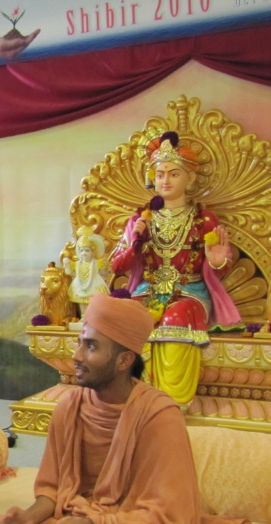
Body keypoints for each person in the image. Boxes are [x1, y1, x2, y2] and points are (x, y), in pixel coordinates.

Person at [0, 294, 257, 524]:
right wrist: (28, 518)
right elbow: (53, 489)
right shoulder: (69, 408)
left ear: (124, 360)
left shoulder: (159, 415)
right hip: (78, 513)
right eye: (80, 343)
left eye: (91, 346)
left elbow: (168, 511)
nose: (76, 356)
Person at [109, 131, 241, 405]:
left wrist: (217, 261)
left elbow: (221, 267)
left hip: (189, 293)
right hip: (147, 290)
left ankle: (171, 404)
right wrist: (135, 242)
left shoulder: (203, 219)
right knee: (131, 318)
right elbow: (117, 264)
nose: (165, 180)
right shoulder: (140, 219)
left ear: (190, 178)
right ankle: (133, 400)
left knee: (175, 318)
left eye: (173, 174)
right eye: (160, 174)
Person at [64, 226, 110, 317]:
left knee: (94, 304)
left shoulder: (97, 263)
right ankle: (83, 317)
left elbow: (104, 274)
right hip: (79, 286)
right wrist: (67, 264)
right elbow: (70, 273)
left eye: (87, 250)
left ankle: (93, 319)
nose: (84, 253)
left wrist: (105, 266)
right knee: (82, 305)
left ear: (93, 252)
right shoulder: (76, 264)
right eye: (81, 251)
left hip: (95, 285)